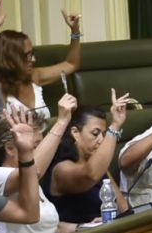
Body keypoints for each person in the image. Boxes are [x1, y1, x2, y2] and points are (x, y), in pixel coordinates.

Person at [0, 95, 78, 233]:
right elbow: (34, 171)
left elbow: (51, 229)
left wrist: (85, 227)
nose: (43, 152)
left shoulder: (34, 185)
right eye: (36, 146)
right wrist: (61, 122)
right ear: (10, 148)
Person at [48, 92, 132, 224]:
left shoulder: (96, 163)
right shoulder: (61, 169)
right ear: (75, 132)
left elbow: (124, 208)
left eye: (104, 134)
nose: (101, 140)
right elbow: (90, 174)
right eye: (95, 133)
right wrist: (114, 126)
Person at [0, 5, 84, 118]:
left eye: (32, 53)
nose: (33, 59)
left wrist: (75, 31)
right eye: (26, 56)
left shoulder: (34, 75)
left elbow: (71, 64)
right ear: (11, 58)